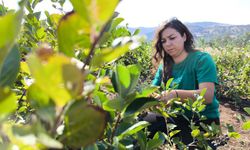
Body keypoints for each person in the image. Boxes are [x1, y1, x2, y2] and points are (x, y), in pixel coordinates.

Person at [140, 18, 220, 149]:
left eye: (172, 38)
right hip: (173, 117)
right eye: (163, 41)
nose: (168, 44)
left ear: (184, 36)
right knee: (137, 129)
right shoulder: (165, 64)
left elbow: (207, 96)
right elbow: (152, 89)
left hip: (202, 121)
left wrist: (174, 94)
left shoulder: (202, 60)